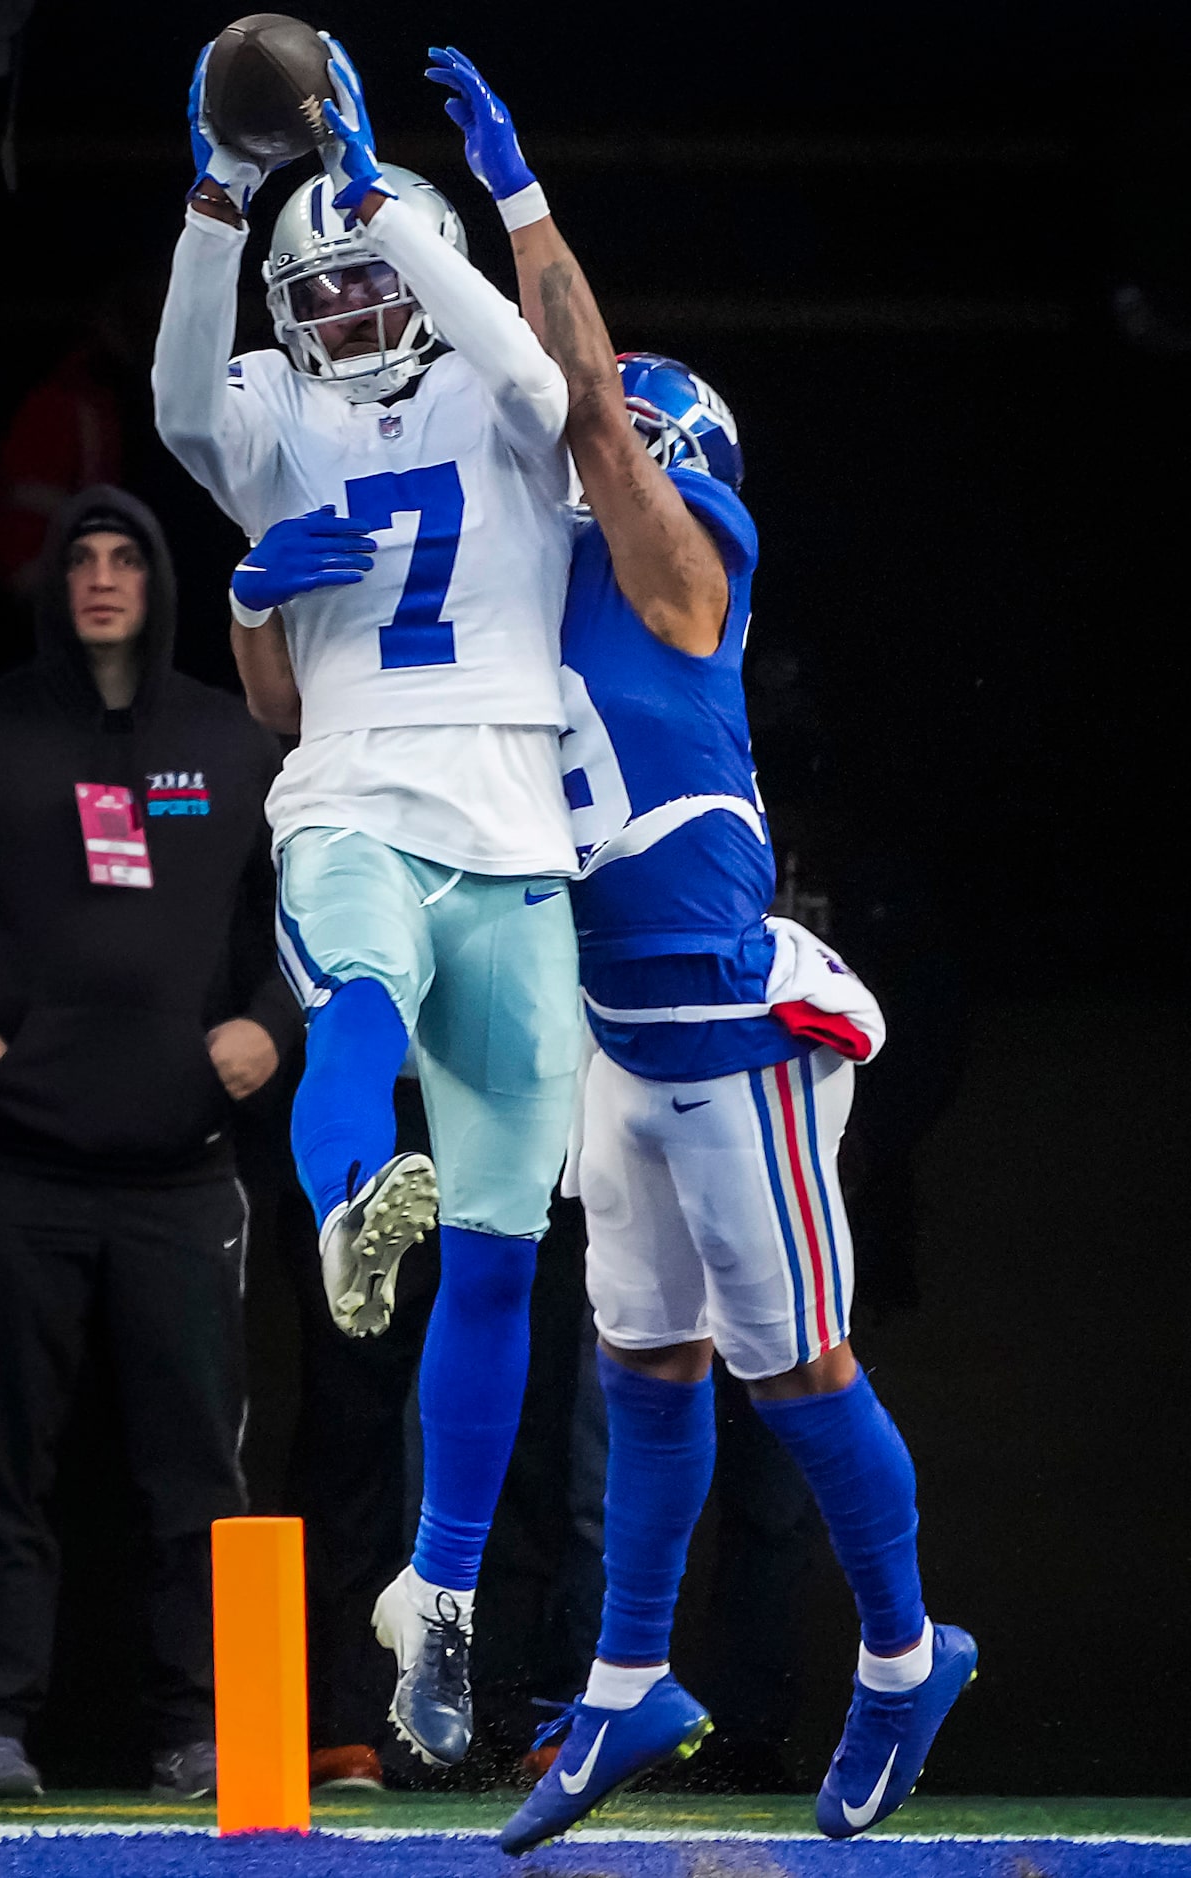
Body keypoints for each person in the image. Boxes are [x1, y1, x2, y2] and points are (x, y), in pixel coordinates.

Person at [421, 50, 978, 1853]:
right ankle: (620, 1685)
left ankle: (904, 1655)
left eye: (644, 433)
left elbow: (580, 397)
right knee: (641, 1360)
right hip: (611, 1036)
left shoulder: (691, 562)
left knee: (794, 1361)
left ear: (691, 461)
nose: (610, 445)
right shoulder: (544, 577)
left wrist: (517, 203)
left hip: (732, 1025)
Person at [153, 35, 581, 1769]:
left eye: (362, 283)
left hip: (516, 823)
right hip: (352, 785)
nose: (333, 316)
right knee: (361, 999)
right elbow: (191, 401)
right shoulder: (276, 413)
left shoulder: (496, 387)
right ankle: (343, 1201)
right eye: (310, 290)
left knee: (500, 1249)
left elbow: (548, 384)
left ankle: (445, 1592)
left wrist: (418, 211)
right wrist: (218, 204)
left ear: (422, 279)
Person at [0, 484, 300, 1799]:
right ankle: (1, 1721)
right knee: (6, 1462)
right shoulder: (5, 728)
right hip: (23, 1168)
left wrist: (274, 1027)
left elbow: (324, 904)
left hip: (184, 1174)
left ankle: (204, 1729)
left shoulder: (234, 743)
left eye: (129, 555)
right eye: (85, 556)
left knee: (202, 1468)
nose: (105, 576)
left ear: (159, 579)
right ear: (57, 579)